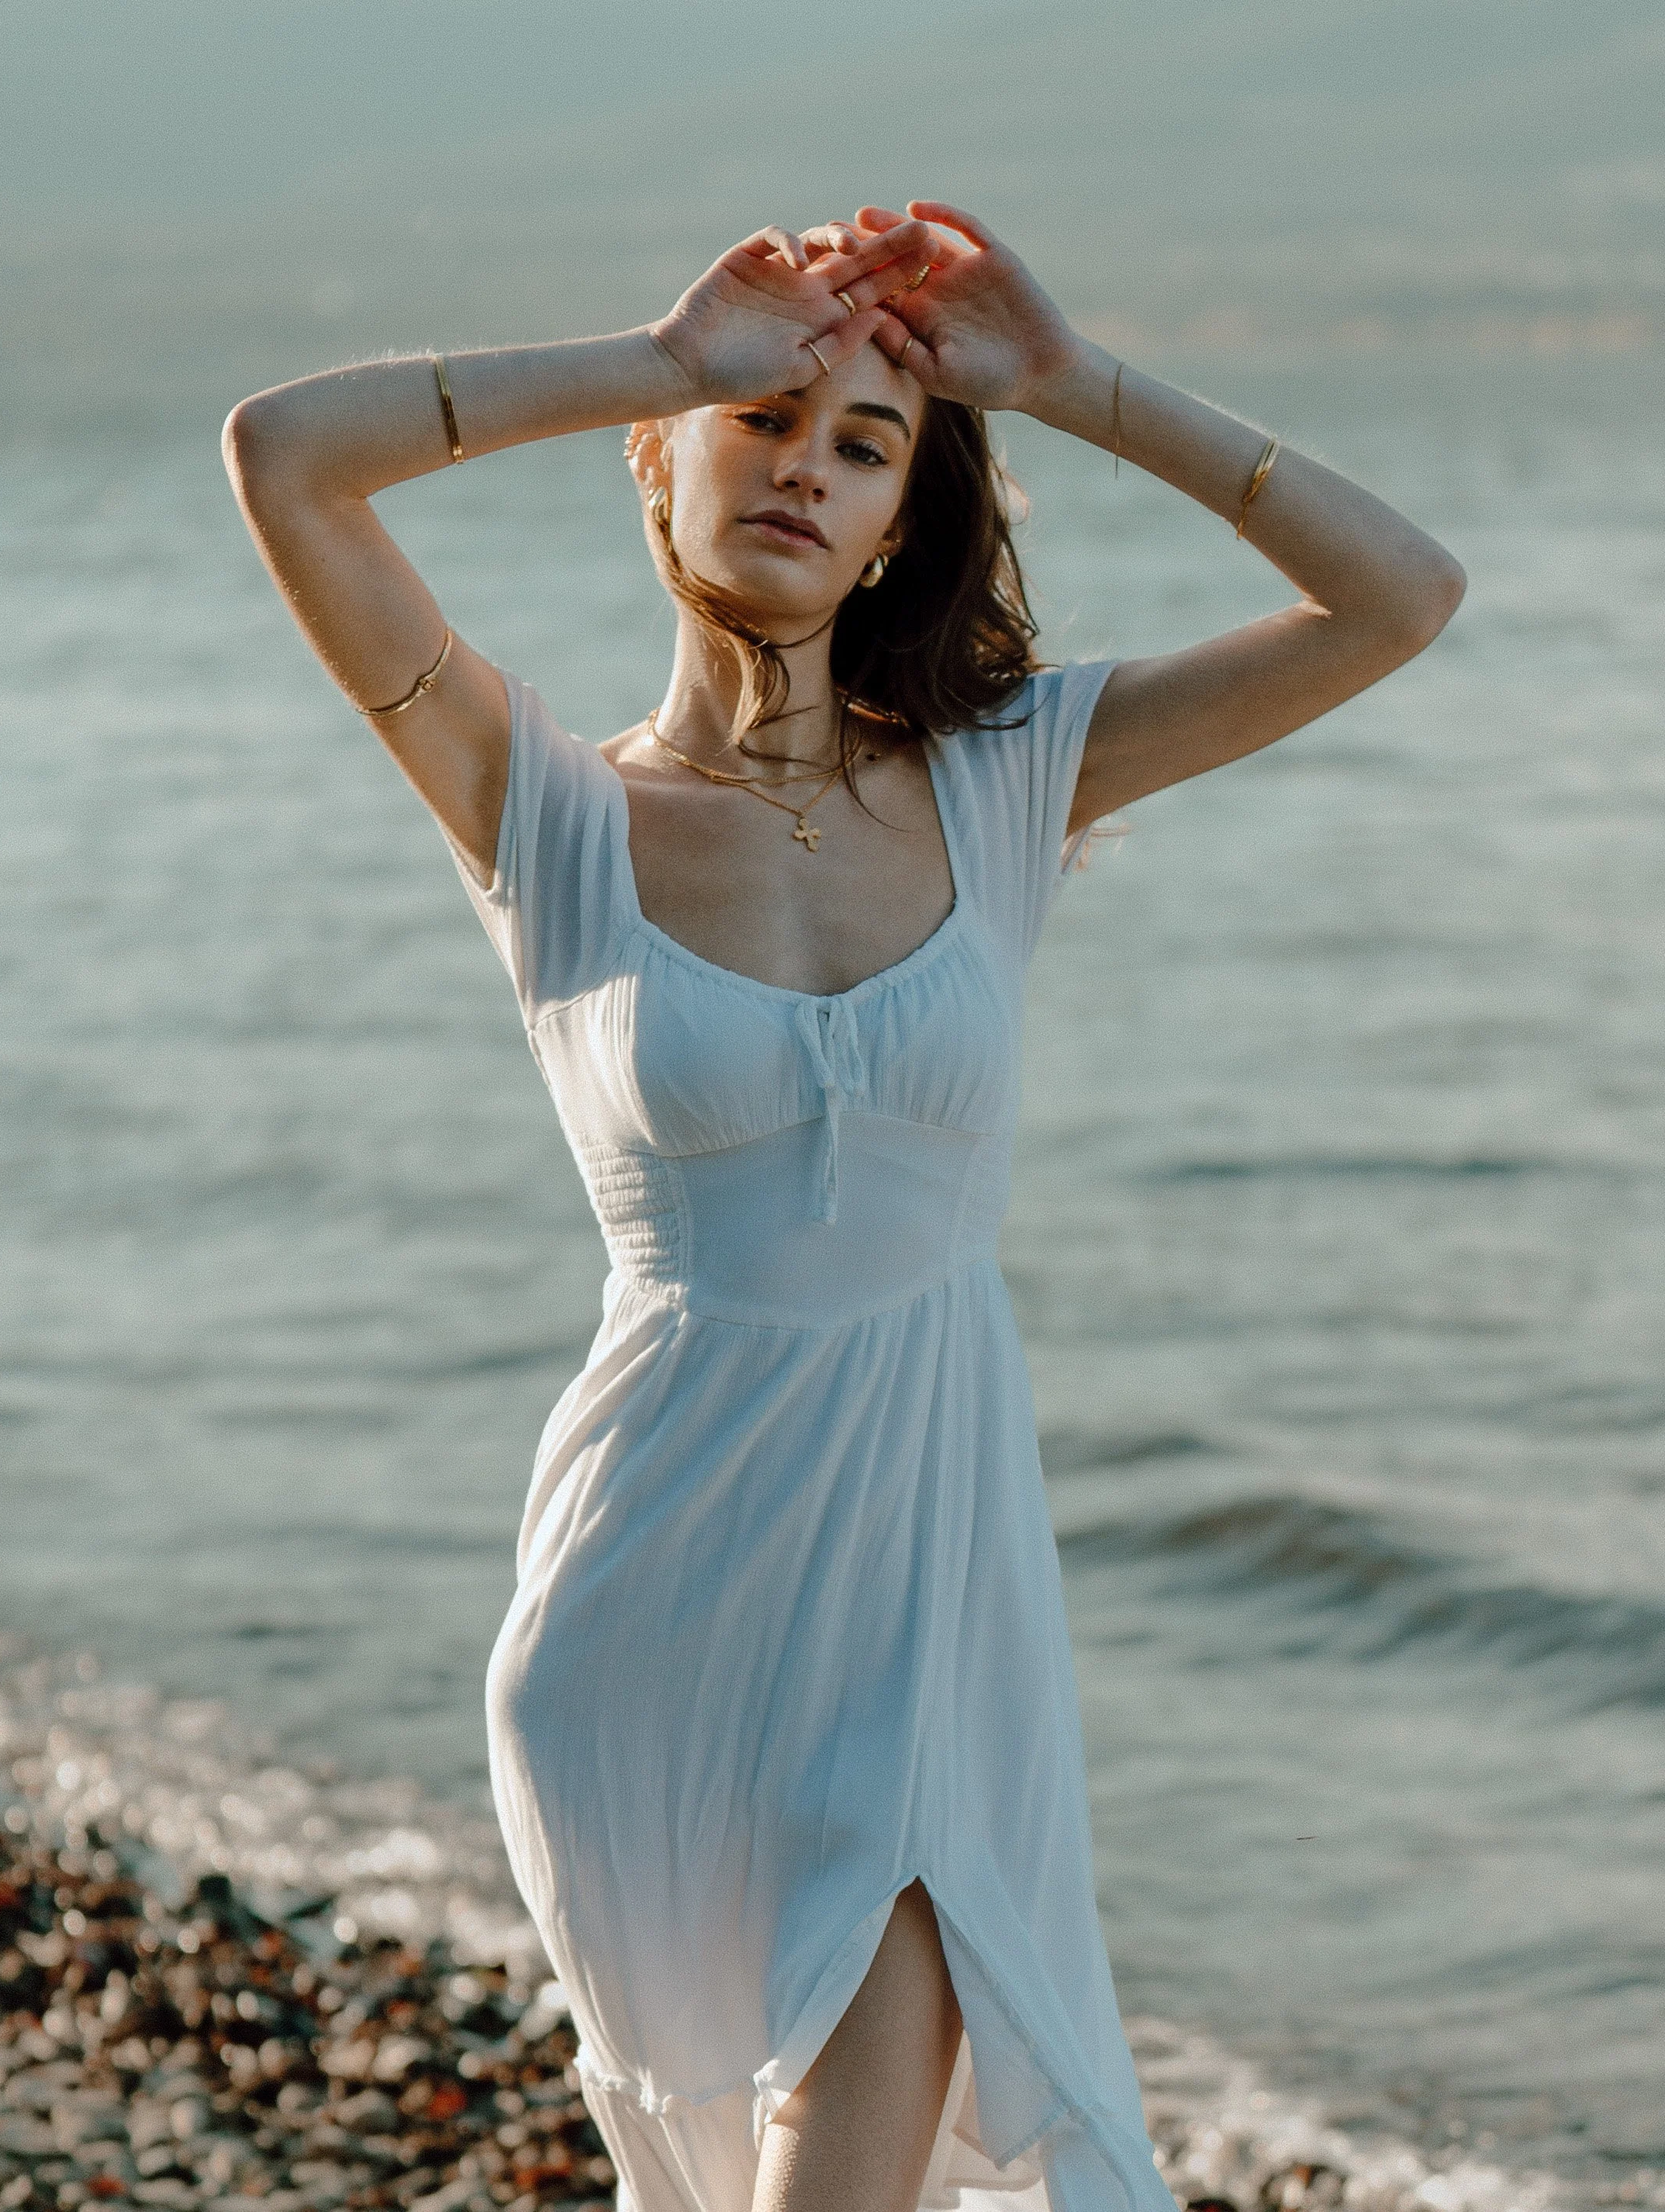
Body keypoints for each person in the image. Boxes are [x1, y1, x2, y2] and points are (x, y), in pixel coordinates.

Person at [223, 200, 1465, 2212]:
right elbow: (285, 452)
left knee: (861, 2120)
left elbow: (1402, 596)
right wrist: (658, 351)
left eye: (866, 441)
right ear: (669, 454)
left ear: (901, 520)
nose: (805, 461)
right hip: (653, 1595)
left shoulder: (1009, 775)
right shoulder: (545, 806)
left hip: (928, 1595)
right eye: (763, 418)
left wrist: (1071, 386)